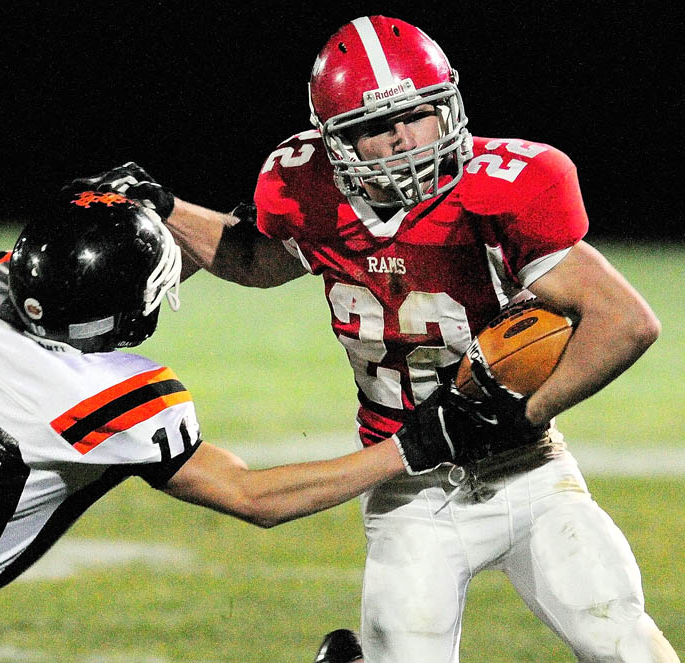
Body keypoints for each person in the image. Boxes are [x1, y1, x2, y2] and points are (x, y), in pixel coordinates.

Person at [75, 15, 680, 663]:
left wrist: (517, 410)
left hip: (527, 468)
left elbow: (626, 321)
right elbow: (254, 261)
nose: (401, 140)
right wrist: (167, 206)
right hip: (411, 486)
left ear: (448, 104)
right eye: (373, 129)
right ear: (335, 145)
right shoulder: (308, 188)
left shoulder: (507, 187)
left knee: (628, 645)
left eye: (415, 116)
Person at [0, 189, 517, 662]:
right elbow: (254, 497)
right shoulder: (101, 401)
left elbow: (80, 289)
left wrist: (129, 225)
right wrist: (419, 443)